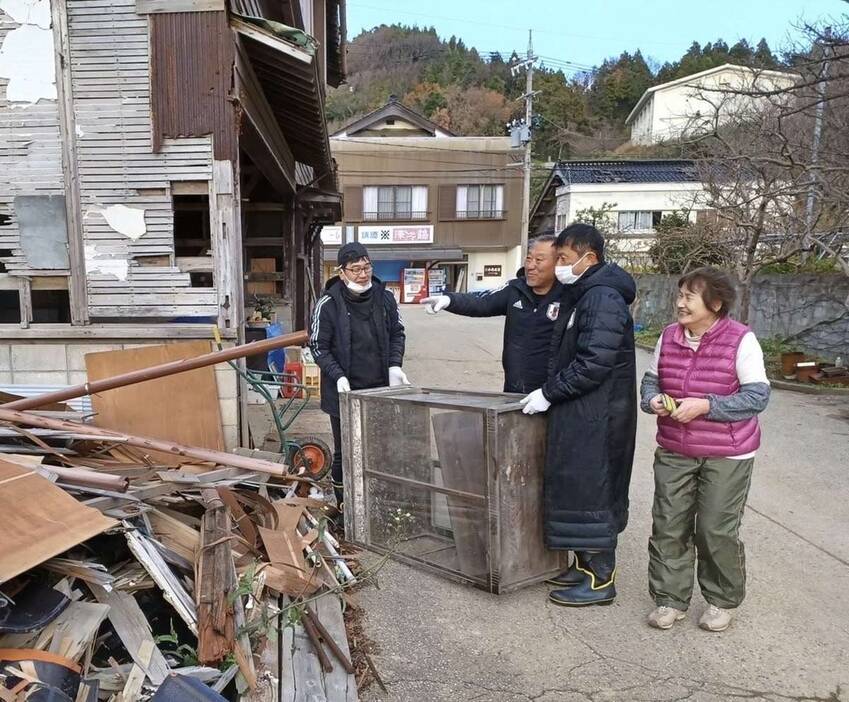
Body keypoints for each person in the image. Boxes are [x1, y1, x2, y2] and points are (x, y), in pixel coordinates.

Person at [640, 267, 770, 632]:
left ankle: (720, 600)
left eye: (688, 297)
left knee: (714, 529)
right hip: (675, 448)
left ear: (714, 303)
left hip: (728, 453)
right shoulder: (668, 337)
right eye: (679, 295)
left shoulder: (741, 340)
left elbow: (757, 396)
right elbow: (651, 381)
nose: (679, 303)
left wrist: (706, 405)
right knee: (669, 524)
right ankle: (669, 598)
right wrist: (652, 401)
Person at [520, 223, 637, 607]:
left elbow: (593, 363)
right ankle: (584, 565)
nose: (560, 267)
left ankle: (601, 579)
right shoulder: (583, 292)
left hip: (598, 417)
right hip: (584, 412)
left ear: (590, 258)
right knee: (577, 488)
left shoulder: (602, 297)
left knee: (594, 490)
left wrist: (549, 392)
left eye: (565, 260)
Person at [309, 242, 408, 519]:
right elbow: (318, 345)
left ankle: (379, 506)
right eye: (356, 269)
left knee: (379, 447)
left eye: (366, 267)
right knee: (345, 451)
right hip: (343, 391)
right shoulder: (328, 303)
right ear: (342, 273)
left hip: (379, 389)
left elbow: (397, 333)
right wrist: (337, 374)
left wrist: (394, 366)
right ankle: (345, 507)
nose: (363, 274)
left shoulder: (384, 298)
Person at [419, 235, 562, 394]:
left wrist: (550, 394)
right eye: (529, 259)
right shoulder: (516, 290)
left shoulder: (570, 296)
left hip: (552, 393)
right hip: (514, 389)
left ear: (558, 262)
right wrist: (449, 300)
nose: (531, 266)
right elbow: (483, 301)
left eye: (539, 260)